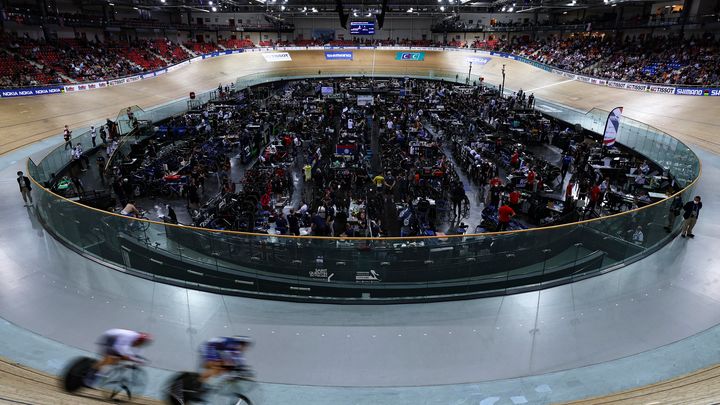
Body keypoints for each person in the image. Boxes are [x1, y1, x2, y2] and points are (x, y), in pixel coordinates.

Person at [85, 329, 152, 387]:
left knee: (119, 358)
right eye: (138, 343)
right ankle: (91, 375)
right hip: (111, 337)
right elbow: (118, 348)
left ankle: (100, 372)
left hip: (117, 340)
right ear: (137, 340)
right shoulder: (129, 337)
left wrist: (137, 360)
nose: (138, 345)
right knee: (110, 358)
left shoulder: (138, 342)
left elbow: (135, 354)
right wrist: (131, 358)